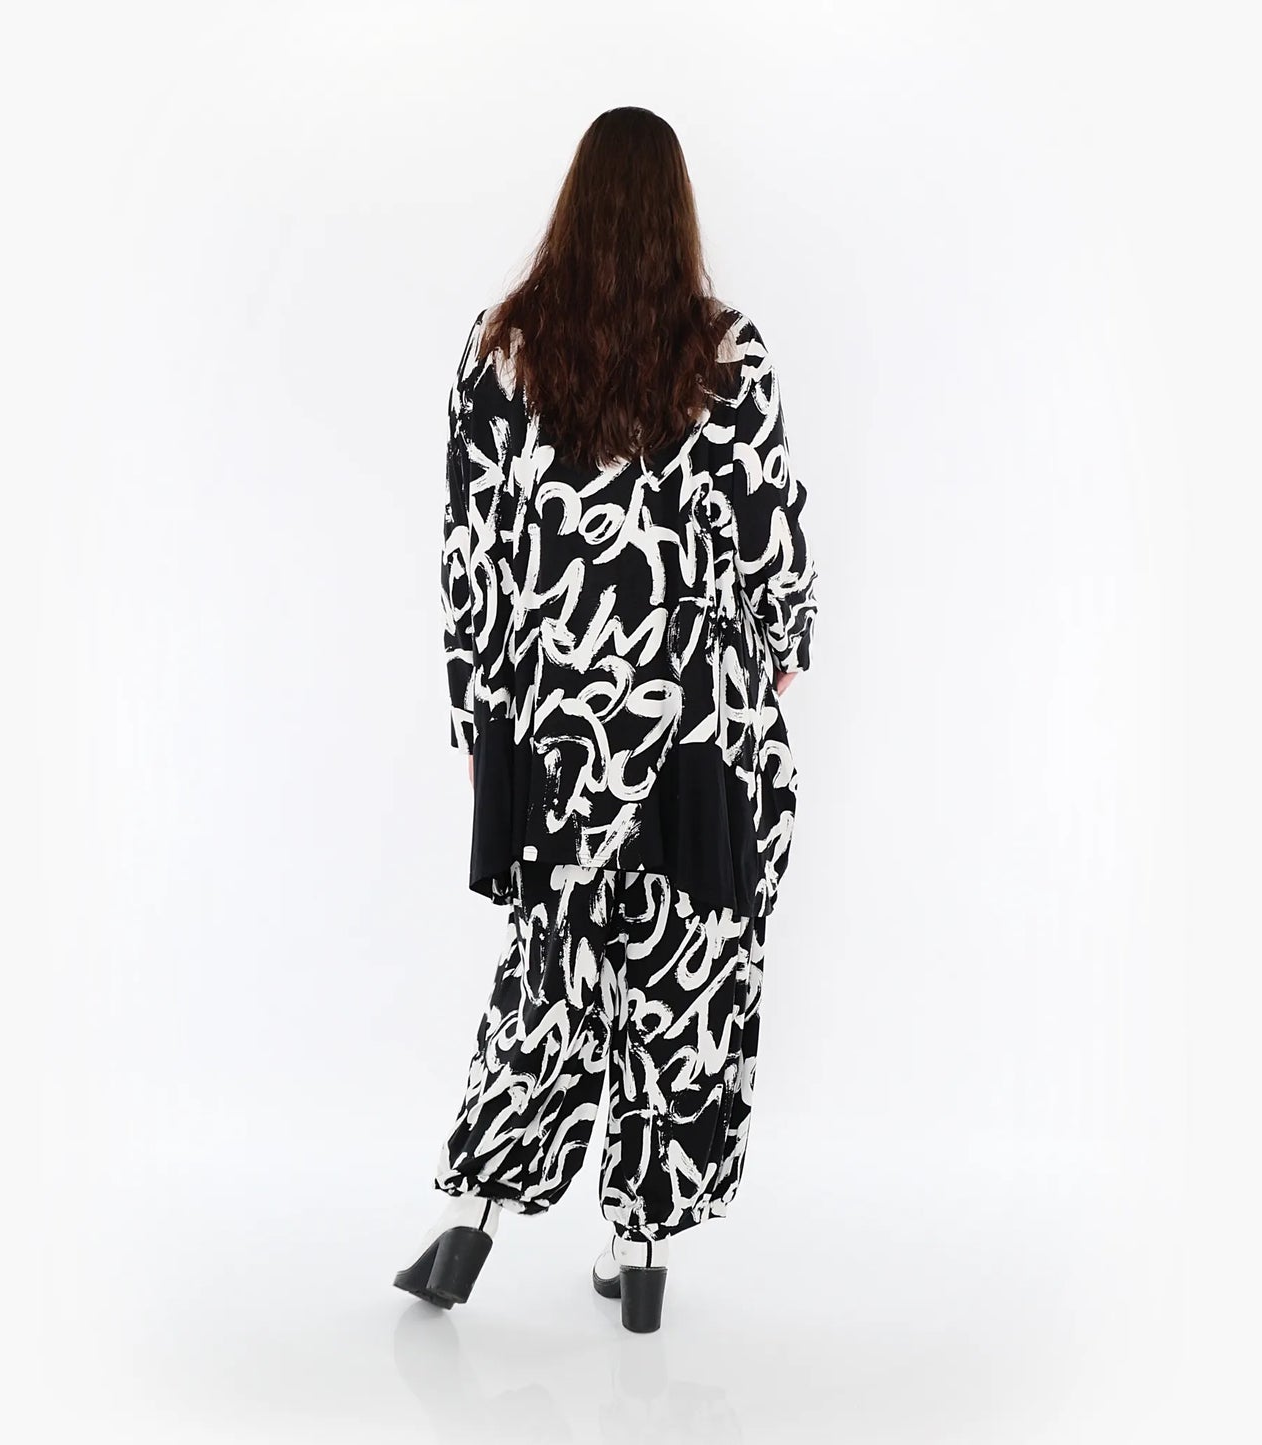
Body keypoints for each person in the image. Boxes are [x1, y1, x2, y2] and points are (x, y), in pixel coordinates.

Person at [393, 106, 818, 1333]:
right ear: (676, 211)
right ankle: (640, 1252)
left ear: (572, 204)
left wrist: (483, 714)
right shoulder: (723, 351)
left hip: (559, 729)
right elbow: (769, 531)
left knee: (554, 970)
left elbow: (471, 553)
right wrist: (778, 648)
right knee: (684, 980)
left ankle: (471, 1220)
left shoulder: (504, 346)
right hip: (694, 723)